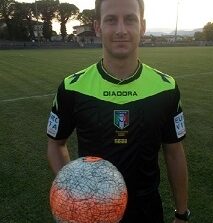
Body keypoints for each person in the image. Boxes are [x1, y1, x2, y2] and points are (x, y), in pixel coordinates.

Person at [47, 0, 190, 222]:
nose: (121, 30)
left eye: (130, 19)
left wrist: (182, 213)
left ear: (142, 26)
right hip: (92, 213)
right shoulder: (71, 87)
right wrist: (75, 191)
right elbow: (56, 145)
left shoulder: (166, 87)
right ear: (98, 27)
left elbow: (174, 152)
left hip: (147, 211)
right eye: (111, 20)